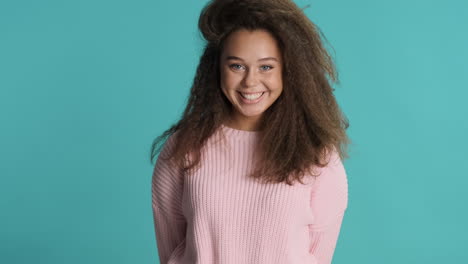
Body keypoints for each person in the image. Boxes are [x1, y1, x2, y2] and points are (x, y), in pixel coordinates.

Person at [150, 0, 352, 263]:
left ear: (288, 71)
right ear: (217, 68)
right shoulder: (184, 148)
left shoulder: (318, 156)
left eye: (266, 67)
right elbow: (171, 250)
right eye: (237, 66)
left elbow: (318, 256)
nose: (250, 82)